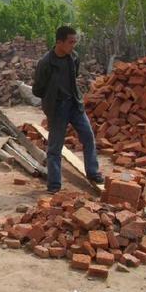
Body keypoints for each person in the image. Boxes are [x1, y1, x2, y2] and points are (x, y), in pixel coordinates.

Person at [32, 25, 104, 194]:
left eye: (74, 41)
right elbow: (37, 90)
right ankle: (54, 185)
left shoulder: (74, 57)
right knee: (55, 147)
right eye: (71, 42)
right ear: (59, 42)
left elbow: (74, 76)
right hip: (58, 108)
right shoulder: (46, 63)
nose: (74, 45)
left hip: (74, 104)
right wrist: (53, 97)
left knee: (88, 137)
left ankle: (93, 173)